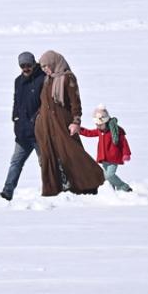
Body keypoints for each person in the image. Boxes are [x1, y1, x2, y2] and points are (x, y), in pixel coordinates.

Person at [34, 50, 105, 196]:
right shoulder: (48, 80)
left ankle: (92, 182)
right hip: (47, 126)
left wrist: (76, 122)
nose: (45, 69)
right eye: (42, 67)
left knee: (73, 153)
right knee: (50, 155)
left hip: (62, 123)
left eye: (46, 66)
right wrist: (39, 119)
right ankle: (55, 188)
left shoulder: (67, 78)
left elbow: (75, 103)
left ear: (54, 63)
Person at [0, 52, 46, 201]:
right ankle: (7, 191)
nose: (25, 68)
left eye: (28, 65)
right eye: (22, 66)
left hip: (39, 132)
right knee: (16, 162)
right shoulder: (18, 81)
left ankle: (51, 190)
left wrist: (36, 119)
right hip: (22, 133)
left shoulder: (43, 79)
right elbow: (16, 101)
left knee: (45, 163)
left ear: (33, 63)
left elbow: (45, 105)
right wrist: (15, 118)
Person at [76, 105, 133, 192]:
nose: (98, 127)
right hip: (104, 158)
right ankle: (112, 191)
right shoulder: (99, 131)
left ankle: (124, 187)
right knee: (107, 177)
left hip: (114, 157)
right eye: (97, 125)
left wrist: (126, 154)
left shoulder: (116, 130)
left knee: (109, 175)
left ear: (106, 121)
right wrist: (79, 130)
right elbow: (89, 133)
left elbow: (124, 143)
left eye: (100, 125)